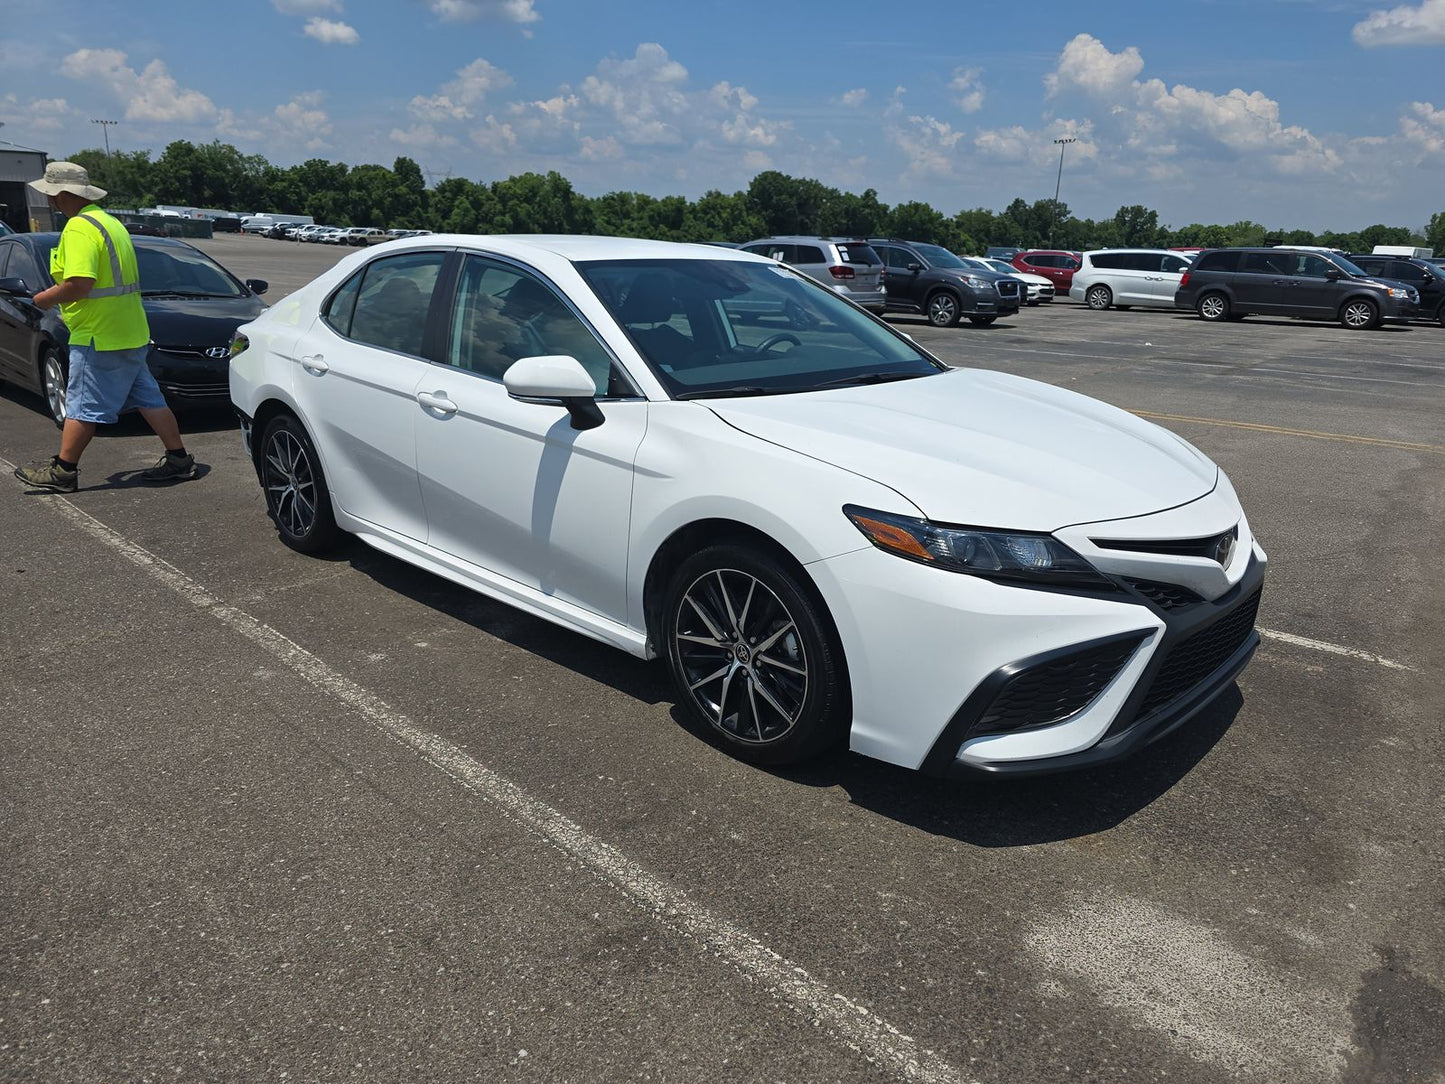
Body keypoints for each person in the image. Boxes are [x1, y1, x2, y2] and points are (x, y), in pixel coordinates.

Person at [12, 161, 196, 493]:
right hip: (130, 330)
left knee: (82, 405)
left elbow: (80, 283)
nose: (51, 201)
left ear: (61, 196)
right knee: (150, 399)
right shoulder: (110, 224)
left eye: (52, 195)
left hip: (99, 334)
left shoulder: (79, 228)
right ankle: (179, 459)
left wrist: (43, 299)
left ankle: (64, 471)